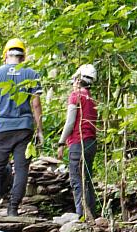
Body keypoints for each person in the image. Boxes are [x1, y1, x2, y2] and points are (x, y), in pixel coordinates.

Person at [0, 38, 44, 217]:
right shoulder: (32, 74)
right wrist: (40, 130)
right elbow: (36, 105)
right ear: (23, 57)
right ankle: (13, 209)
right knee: (22, 168)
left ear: (5, 55)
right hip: (24, 128)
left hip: (1, 128)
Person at [57, 64, 99, 219]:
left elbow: (70, 122)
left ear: (78, 79)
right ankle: (91, 215)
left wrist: (61, 143)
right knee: (86, 180)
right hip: (91, 142)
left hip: (78, 142)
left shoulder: (76, 96)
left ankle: (82, 216)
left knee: (77, 180)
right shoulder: (91, 98)